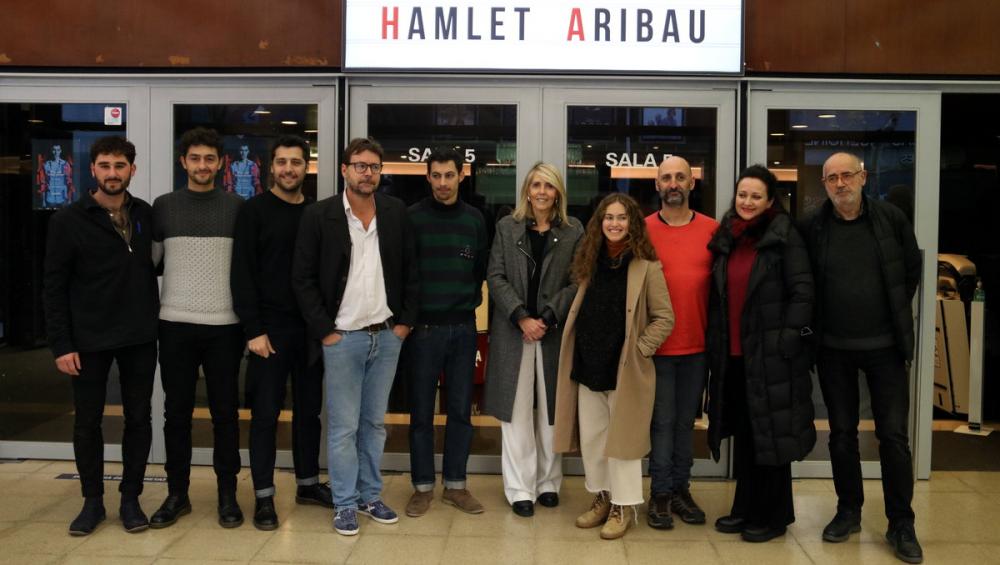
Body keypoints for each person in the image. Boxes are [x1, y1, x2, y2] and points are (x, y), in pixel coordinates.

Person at [292, 137, 419, 536]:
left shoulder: (395, 213)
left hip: (386, 336)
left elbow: (412, 270)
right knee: (344, 427)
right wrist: (325, 331)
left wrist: (404, 325)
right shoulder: (320, 215)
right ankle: (345, 503)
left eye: (374, 167)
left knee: (374, 424)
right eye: (360, 166)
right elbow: (303, 278)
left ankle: (370, 495)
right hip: (342, 338)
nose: (368, 173)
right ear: (344, 169)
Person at [801, 152, 923, 564]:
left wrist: (889, 315)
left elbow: (910, 270)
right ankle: (848, 510)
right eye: (832, 178)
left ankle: (901, 523)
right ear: (825, 184)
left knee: (892, 437)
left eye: (847, 175)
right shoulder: (815, 228)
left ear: (863, 177)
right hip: (834, 349)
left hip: (885, 349)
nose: (840, 184)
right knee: (840, 434)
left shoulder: (890, 220)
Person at [43, 136, 159, 536]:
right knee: (87, 423)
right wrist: (62, 344)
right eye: (105, 166)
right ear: (93, 169)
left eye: (120, 166)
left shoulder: (144, 214)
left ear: (132, 170)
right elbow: (53, 288)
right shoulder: (68, 219)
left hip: (140, 336)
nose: (113, 173)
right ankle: (92, 502)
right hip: (88, 340)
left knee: (138, 419)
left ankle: (131, 500)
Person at [553, 193, 674, 540]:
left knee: (623, 443)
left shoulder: (646, 266)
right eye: (608, 217)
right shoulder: (589, 260)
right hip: (588, 365)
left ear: (632, 223)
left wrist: (639, 350)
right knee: (593, 440)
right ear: (599, 223)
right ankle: (602, 498)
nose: (615, 223)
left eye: (622, 217)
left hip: (623, 370)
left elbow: (665, 318)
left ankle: (624, 507)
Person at [705, 164, 816, 543]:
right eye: (742, 195)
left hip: (772, 356)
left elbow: (803, 292)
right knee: (749, 435)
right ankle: (745, 508)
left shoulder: (785, 236)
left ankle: (774, 516)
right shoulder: (728, 237)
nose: (747, 202)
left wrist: (787, 339)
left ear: (770, 200)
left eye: (755, 196)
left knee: (772, 437)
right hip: (735, 356)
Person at [230, 135, 332, 531]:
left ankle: (307, 484)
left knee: (309, 412)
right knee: (265, 416)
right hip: (268, 333)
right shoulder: (253, 211)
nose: (289, 169)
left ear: (306, 167)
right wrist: (253, 330)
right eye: (282, 162)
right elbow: (242, 274)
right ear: (271, 167)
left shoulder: (317, 213)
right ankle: (264, 497)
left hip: (310, 332)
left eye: (296, 162)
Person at [149, 127, 246, 529]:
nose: (202, 165)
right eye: (195, 158)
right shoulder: (164, 206)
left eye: (209, 158)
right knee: (177, 414)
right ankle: (177, 494)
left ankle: (227, 496)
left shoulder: (239, 207)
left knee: (225, 414)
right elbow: (153, 261)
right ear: (183, 162)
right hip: (175, 324)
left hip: (225, 325)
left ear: (220, 163)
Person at [483, 162, 583, 517]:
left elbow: (577, 280)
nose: (542, 192)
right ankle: (519, 488)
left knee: (551, 413)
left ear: (558, 193)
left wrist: (549, 315)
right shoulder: (506, 228)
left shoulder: (573, 231)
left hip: (553, 333)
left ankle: (548, 484)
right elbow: (494, 276)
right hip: (515, 332)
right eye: (536, 185)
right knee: (516, 412)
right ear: (527, 189)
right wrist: (522, 317)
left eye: (549, 186)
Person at [404, 148, 489, 517]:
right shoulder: (411, 219)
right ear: (427, 177)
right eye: (435, 175)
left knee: (459, 411)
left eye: (448, 175)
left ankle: (456, 485)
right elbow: (403, 273)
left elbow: (481, 271)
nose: (442, 183)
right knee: (421, 412)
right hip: (422, 330)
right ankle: (422, 487)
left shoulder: (475, 220)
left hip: (463, 328)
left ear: (461, 175)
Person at [644, 155, 718, 529]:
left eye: (680, 177)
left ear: (692, 184)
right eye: (666, 178)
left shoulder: (712, 230)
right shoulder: (641, 231)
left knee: (685, 423)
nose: (673, 183)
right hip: (655, 349)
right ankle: (659, 492)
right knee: (661, 421)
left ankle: (680, 490)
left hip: (697, 346)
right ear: (657, 185)